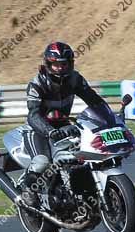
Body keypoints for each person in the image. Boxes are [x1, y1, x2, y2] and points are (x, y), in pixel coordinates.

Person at [21, 42, 107, 207]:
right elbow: (33, 114)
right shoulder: (37, 83)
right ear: (48, 64)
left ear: (70, 63)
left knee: (84, 154)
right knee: (42, 162)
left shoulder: (75, 79)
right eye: (55, 64)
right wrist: (49, 130)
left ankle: (80, 190)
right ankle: (28, 190)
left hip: (63, 125)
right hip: (37, 129)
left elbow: (94, 100)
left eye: (63, 64)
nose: (59, 68)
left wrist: (109, 118)